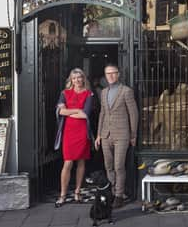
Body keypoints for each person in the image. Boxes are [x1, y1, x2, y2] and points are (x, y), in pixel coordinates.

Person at [95, 64, 139, 208]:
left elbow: (133, 114)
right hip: (106, 134)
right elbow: (102, 113)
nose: (111, 76)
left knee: (119, 166)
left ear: (118, 74)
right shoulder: (104, 92)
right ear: (105, 76)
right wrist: (98, 135)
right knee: (109, 166)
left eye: (113, 73)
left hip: (122, 134)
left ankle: (119, 195)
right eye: (108, 74)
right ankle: (113, 192)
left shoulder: (126, 91)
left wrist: (133, 134)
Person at [54, 68, 94, 207]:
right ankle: (63, 194)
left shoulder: (88, 94)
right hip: (69, 132)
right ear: (71, 80)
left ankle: (77, 192)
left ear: (83, 79)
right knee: (68, 163)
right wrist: (77, 110)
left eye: (79, 77)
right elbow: (61, 111)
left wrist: (70, 112)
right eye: (74, 78)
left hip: (82, 131)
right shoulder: (64, 93)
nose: (77, 80)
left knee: (81, 162)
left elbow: (86, 114)